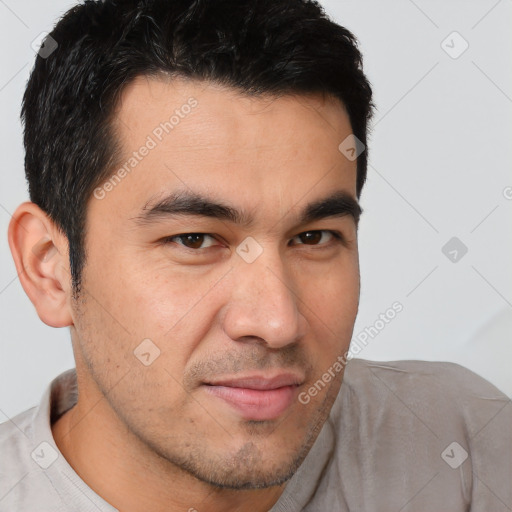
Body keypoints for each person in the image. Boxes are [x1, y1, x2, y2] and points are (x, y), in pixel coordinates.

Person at [1, 0, 510, 510]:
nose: (277, 322)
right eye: (194, 240)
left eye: (313, 238)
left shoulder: (468, 446)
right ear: (49, 268)